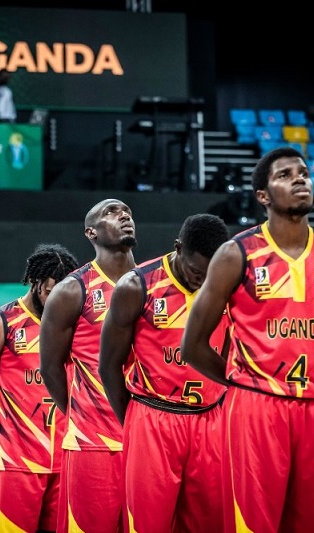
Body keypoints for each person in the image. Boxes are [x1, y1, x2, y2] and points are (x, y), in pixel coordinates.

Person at [181, 146, 314, 533]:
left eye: (304, 173)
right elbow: (192, 346)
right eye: (285, 175)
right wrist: (246, 382)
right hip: (255, 409)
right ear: (263, 195)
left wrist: (309, 379)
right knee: (253, 523)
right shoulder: (235, 255)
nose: (299, 180)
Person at [98, 213, 230, 533]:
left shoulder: (228, 283)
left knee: (211, 524)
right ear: (178, 247)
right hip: (153, 417)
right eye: (196, 271)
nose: (203, 281)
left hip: (211, 419)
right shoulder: (136, 286)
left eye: (210, 273)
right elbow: (109, 365)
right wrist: (133, 422)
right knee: (147, 524)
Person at [0, 243, 79, 533]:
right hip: (18, 460)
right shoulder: (0, 323)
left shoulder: (73, 323)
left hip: (67, 456)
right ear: (35, 282)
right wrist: (2, 437)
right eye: (51, 291)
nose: (57, 300)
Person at [40, 198, 137, 533]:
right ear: (90, 232)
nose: (123, 215)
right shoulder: (71, 290)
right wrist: (81, 414)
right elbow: (50, 368)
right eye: (111, 212)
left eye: (126, 211)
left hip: (148, 438)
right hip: (94, 442)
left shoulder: (151, 282)